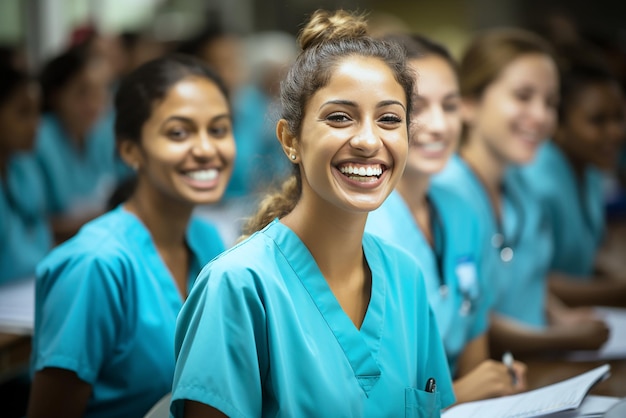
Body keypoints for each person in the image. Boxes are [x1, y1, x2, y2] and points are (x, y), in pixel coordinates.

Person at [170, 9, 455, 418]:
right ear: (290, 140)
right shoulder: (237, 288)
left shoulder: (406, 278)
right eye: (340, 117)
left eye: (390, 119)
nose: (368, 140)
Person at [27, 53, 235, 418]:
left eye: (218, 129)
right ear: (130, 150)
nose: (206, 149)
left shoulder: (207, 241)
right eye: (178, 132)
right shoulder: (94, 265)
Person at [365, 33, 526, 403]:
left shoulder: (462, 212)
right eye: (417, 107)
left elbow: (474, 348)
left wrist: (497, 380)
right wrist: (454, 395)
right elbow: (353, 396)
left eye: (450, 106)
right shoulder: (361, 224)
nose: (439, 125)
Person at [433, 27, 610, 357]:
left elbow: (529, 277)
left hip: (536, 367)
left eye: (551, 103)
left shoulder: (520, 187)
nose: (541, 116)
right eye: (523, 96)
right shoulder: (445, 193)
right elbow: (470, 312)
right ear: (469, 104)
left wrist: (562, 317)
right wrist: (561, 339)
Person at [519, 59, 626, 307]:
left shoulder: (590, 172)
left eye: (619, 118)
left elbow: (578, 261)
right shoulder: (533, 180)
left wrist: (612, 280)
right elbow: (529, 278)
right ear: (559, 124)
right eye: (598, 121)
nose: (615, 132)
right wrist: (615, 292)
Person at [35, 44, 128, 243]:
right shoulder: (38, 140)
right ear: (56, 95)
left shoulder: (100, 135)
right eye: (83, 92)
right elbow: (35, 227)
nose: (96, 102)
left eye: (102, 90)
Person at [0, 65, 50, 285]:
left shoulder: (24, 169)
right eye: (23, 113)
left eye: (38, 112)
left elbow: (40, 238)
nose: (36, 124)